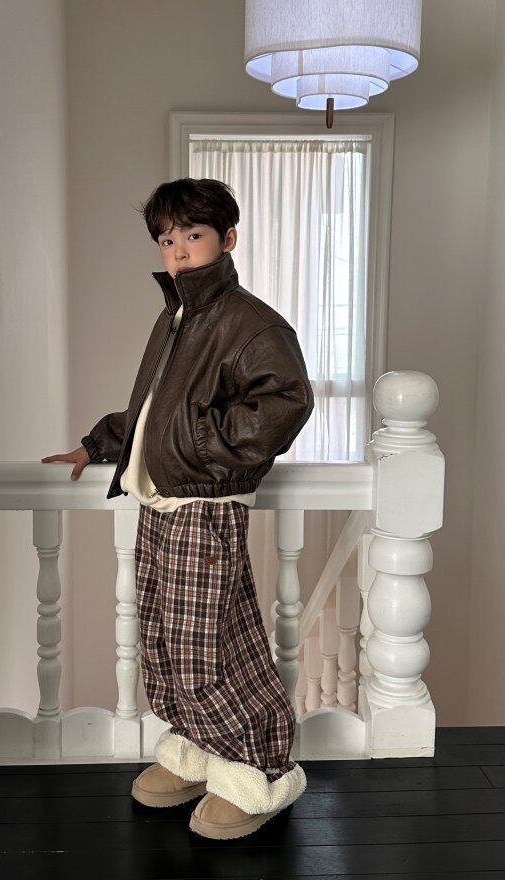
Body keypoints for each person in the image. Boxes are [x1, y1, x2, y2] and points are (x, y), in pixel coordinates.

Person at [42, 177, 314, 840]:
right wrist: (99, 443)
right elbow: (156, 409)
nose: (180, 250)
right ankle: (199, 752)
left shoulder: (249, 322)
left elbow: (285, 402)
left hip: (203, 504)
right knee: (165, 646)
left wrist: (200, 446)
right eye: (168, 239)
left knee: (202, 651)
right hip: (162, 505)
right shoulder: (178, 317)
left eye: (193, 235)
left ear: (228, 238)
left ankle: (258, 770)